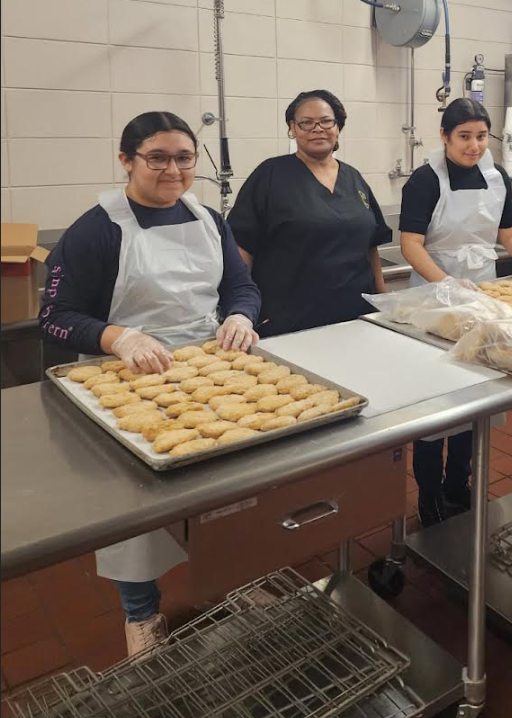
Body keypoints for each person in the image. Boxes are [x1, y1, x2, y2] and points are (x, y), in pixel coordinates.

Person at [40, 111, 262, 656]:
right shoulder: (95, 229)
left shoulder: (211, 219)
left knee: (229, 490)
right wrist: (117, 338)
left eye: (184, 158)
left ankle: (236, 577)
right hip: (128, 377)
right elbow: (54, 314)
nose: (172, 169)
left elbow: (241, 285)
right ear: (126, 160)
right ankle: (141, 614)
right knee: (138, 507)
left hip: (211, 372)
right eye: (156, 157)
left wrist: (240, 315)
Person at [399, 98, 512, 527]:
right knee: (435, 400)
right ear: (444, 136)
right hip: (437, 300)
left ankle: (460, 482)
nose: (473, 146)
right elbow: (411, 245)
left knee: (474, 395)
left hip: (484, 293)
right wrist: (445, 283)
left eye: (480, 136)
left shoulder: (496, 178)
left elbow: (509, 234)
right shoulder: (423, 181)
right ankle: (430, 494)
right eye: (463, 137)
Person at [227, 89, 391, 337]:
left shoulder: (353, 178)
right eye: (306, 122)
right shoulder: (270, 176)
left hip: (357, 319)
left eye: (326, 121)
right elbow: (241, 249)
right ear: (292, 128)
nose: (317, 128)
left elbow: (371, 248)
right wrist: (240, 312)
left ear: (338, 126)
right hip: (290, 320)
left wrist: (383, 305)